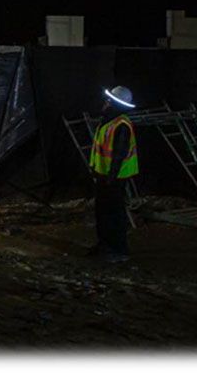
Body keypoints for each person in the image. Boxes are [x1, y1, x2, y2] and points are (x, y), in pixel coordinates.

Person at [87, 85, 139, 263]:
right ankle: (105, 245)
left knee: (114, 213)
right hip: (105, 176)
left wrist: (111, 176)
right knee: (102, 212)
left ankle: (118, 249)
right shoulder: (109, 121)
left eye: (109, 101)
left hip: (114, 178)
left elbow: (119, 153)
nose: (106, 102)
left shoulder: (121, 125)